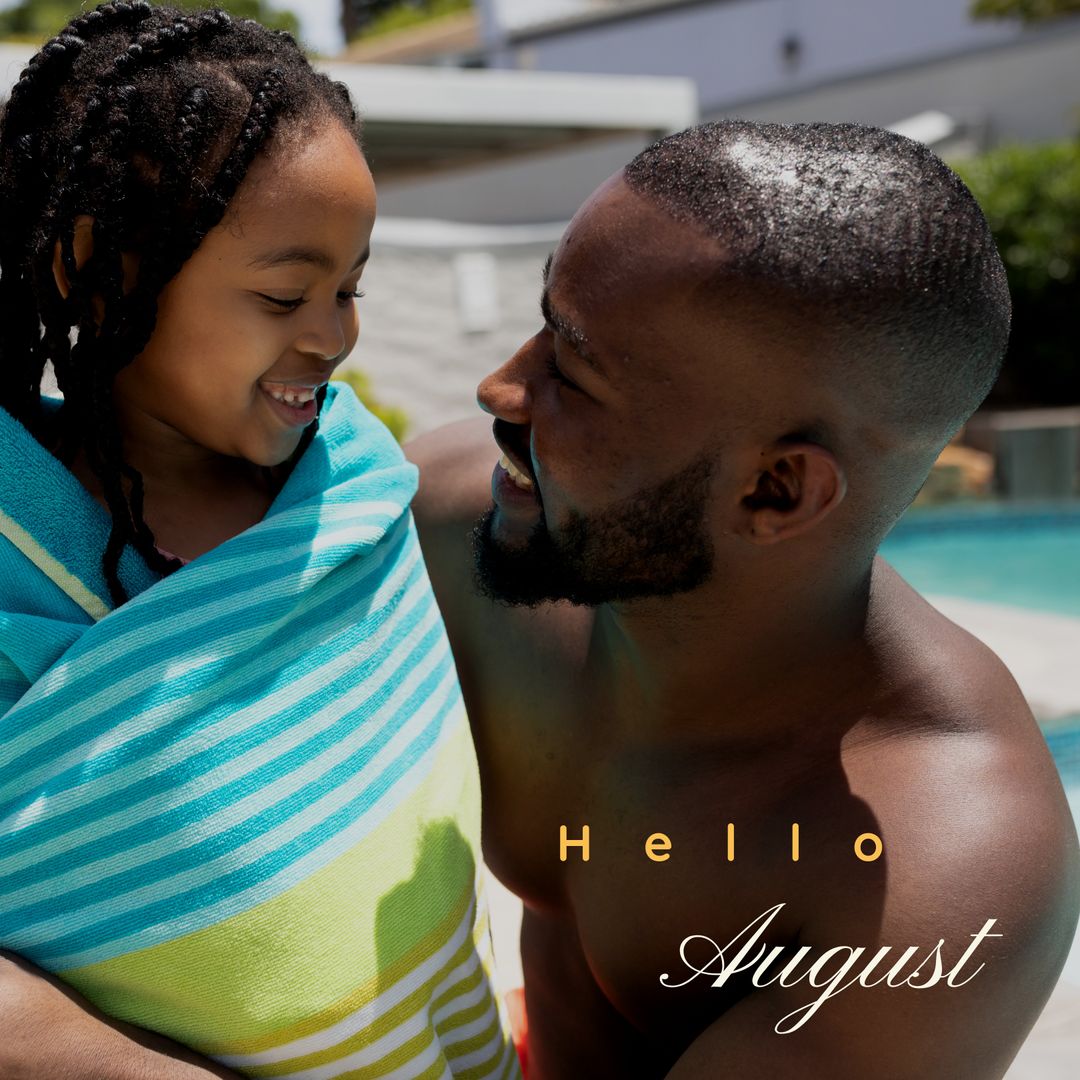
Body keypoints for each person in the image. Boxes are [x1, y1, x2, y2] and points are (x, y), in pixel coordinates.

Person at [406, 121, 1080, 1077]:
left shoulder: (940, 872)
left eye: (575, 374)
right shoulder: (468, 526)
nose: (500, 389)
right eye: (546, 320)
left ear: (776, 493)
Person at [0, 5, 517, 1079]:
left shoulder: (350, 486)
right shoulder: (16, 558)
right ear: (96, 264)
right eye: (286, 294)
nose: (334, 335)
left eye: (350, 288)